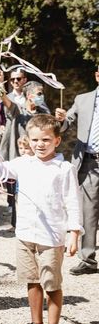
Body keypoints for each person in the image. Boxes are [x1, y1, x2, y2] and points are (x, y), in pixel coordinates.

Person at [0, 114, 83, 324]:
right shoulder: (23, 163)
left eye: (46, 139)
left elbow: (73, 202)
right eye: (35, 139)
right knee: (32, 280)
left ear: (57, 141)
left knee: (52, 284)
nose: (40, 144)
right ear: (28, 140)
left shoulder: (64, 168)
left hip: (52, 237)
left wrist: (74, 233)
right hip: (25, 233)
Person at [55, 66, 99, 276]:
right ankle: (88, 260)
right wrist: (61, 119)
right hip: (89, 163)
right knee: (88, 212)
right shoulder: (82, 99)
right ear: (97, 75)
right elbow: (65, 125)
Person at [0, 80, 50, 227]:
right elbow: (7, 102)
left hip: (39, 160)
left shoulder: (43, 114)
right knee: (19, 194)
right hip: (20, 159)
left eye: (42, 93)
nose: (41, 96)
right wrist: (0, 89)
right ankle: (19, 224)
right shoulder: (18, 111)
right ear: (29, 95)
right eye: (39, 93)